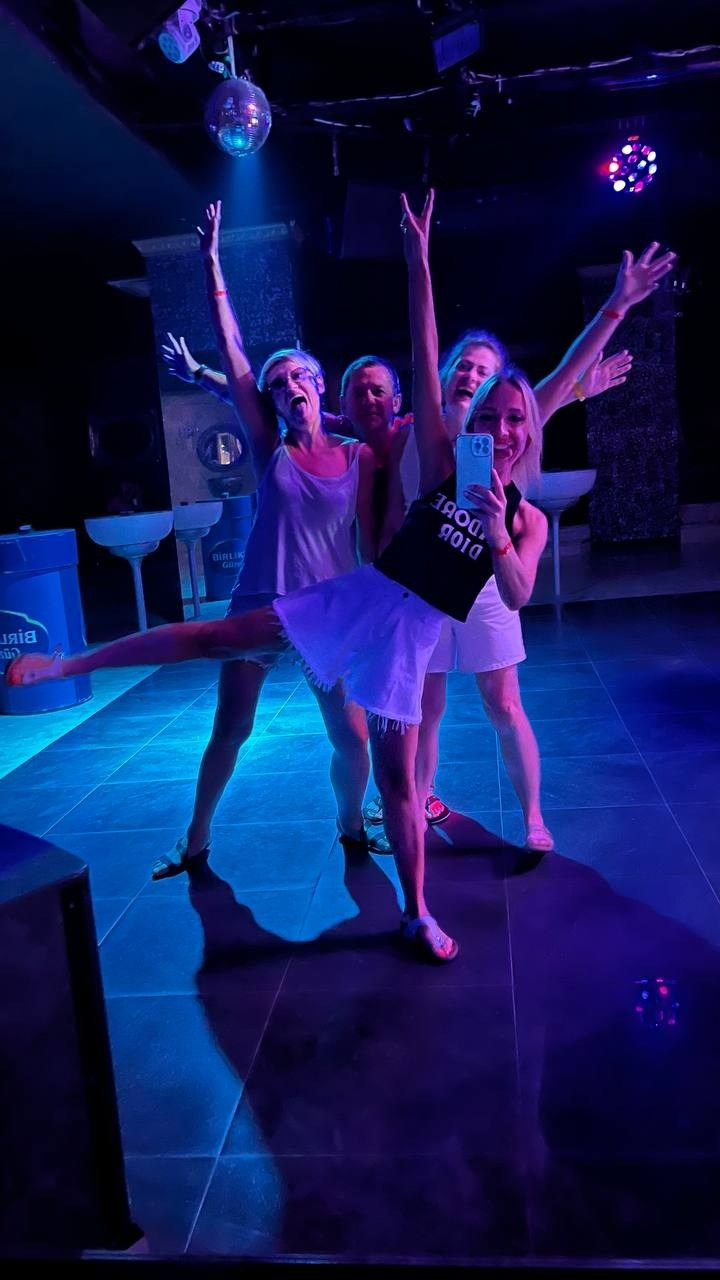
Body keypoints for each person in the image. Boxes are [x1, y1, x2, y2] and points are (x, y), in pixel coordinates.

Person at [7, 189, 554, 966]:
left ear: (530, 431)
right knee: (215, 644)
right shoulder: (441, 454)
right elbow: (421, 349)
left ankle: (414, 911)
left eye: (514, 419)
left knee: (394, 780)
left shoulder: (517, 513)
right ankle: (70, 666)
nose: (498, 428)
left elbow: (520, 589)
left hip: (406, 638)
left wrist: (497, 528)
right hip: (357, 598)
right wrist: (418, 261)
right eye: (489, 415)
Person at [365, 241, 673, 852]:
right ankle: (415, 806)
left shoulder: (506, 434)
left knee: (504, 703)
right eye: (464, 366)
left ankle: (533, 817)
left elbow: (552, 384)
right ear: (451, 378)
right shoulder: (426, 435)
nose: (471, 375)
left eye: (484, 370)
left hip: (485, 582)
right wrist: (418, 262)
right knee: (425, 705)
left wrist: (616, 305)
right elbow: (420, 355)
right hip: (424, 588)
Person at [150, 202, 391, 878]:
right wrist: (211, 262)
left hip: (325, 613)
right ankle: (195, 840)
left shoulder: (357, 455)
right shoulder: (270, 448)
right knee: (231, 728)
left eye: (297, 377)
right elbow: (234, 354)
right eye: (277, 385)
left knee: (352, 737)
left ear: (318, 385)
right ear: (274, 401)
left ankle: (352, 824)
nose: (288, 387)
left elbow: (371, 536)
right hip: (259, 602)